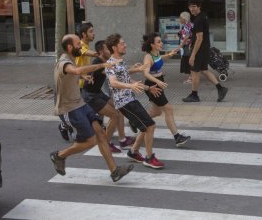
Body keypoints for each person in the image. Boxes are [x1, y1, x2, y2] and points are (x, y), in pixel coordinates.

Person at [51, 34, 133, 182]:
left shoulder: (71, 60)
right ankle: (59, 156)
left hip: (81, 104)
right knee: (90, 141)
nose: (81, 47)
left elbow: (72, 74)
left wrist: (84, 77)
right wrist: (101, 65)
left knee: (101, 134)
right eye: (78, 44)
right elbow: (74, 71)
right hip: (69, 109)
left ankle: (115, 171)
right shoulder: (63, 62)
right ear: (70, 47)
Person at [105, 33, 165, 169]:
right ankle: (149, 158)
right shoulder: (110, 64)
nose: (125, 45)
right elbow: (113, 83)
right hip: (123, 102)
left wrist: (148, 88)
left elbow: (126, 79)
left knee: (146, 126)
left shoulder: (120, 61)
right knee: (150, 125)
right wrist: (130, 86)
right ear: (114, 47)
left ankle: (133, 152)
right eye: (122, 43)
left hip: (130, 99)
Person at [82, 40, 135, 153]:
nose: (110, 50)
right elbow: (117, 74)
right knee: (114, 115)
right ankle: (105, 143)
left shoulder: (106, 61)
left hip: (97, 93)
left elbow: (119, 70)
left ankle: (122, 140)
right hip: (90, 96)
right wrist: (137, 69)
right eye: (107, 48)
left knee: (120, 110)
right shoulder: (98, 63)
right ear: (101, 51)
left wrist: (131, 68)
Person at [142, 32, 191, 147]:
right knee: (168, 109)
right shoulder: (148, 57)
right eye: (158, 42)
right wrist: (157, 81)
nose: (161, 43)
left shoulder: (156, 53)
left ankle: (137, 121)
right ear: (152, 45)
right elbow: (145, 73)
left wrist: (168, 55)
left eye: (161, 41)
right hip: (153, 86)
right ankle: (177, 137)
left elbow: (158, 59)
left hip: (158, 83)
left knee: (157, 111)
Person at [57, 22, 98, 141]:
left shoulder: (84, 45)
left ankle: (68, 126)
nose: (93, 33)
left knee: (86, 109)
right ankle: (68, 127)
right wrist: (100, 54)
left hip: (82, 83)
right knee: (80, 111)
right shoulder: (80, 47)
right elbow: (85, 52)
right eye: (91, 31)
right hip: (76, 87)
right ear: (83, 34)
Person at [182, 0, 228, 102]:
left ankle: (194, 95)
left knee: (194, 72)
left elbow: (199, 38)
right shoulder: (203, 16)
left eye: (194, 6)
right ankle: (221, 89)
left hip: (199, 50)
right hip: (204, 49)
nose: (191, 9)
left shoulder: (198, 19)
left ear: (199, 7)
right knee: (204, 70)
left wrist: (193, 55)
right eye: (190, 7)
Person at [178, 11, 193, 84]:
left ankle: (191, 78)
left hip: (187, 47)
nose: (179, 19)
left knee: (187, 62)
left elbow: (187, 36)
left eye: (180, 18)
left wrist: (181, 45)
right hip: (188, 46)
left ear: (184, 18)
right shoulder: (190, 25)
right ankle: (192, 77)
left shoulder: (187, 26)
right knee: (188, 61)